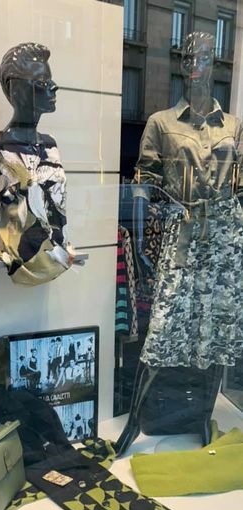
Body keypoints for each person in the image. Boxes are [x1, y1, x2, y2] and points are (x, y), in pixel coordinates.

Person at [115, 32, 243, 455]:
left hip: (225, 241)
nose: (194, 65)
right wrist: (140, 243)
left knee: (216, 332)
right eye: (188, 57)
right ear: (180, 64)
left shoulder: (234, 126)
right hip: (182, 235)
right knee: (161, 333)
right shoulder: (161, 123)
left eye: (203, 57)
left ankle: (203, 418)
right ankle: (134, 423)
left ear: (215, 64)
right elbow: (143, 185)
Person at [0, 42, 75, 285]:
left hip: (59, 256)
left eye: (50, 79)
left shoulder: (50, 145)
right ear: (17, 89)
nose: (53, 86)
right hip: (25, 262)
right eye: (42, 82)